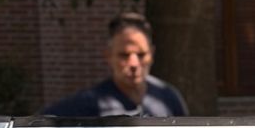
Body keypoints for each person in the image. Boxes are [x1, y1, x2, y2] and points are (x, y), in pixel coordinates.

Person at [43, 13, 188, 117]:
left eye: (141, 55)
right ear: (108, 56)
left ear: (152, 54)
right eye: (124, 55)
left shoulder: (168, 97)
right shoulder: (88, 104)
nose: (133, 64)